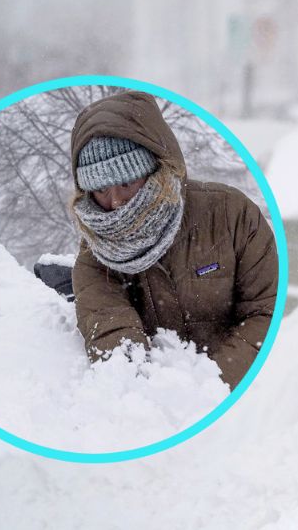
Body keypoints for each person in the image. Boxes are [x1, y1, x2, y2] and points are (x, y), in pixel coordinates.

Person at [69, 90, 277, 390]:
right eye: (101, 190)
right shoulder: (96, 252)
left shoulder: (232, 215)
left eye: (126, 183)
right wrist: (137, 385)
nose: (115, 202)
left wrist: (212, 386)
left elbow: (265, 313)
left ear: (155, 169)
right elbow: (109, 323)